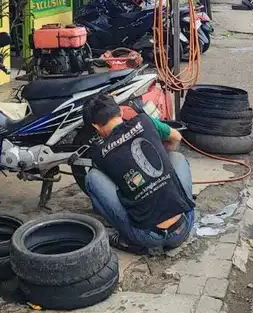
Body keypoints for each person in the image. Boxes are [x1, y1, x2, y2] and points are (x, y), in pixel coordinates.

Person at [83, 94, 195, 255]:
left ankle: (129, 240)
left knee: (92, 178)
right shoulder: (145, 121)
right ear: (120, 112)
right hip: (183, 228)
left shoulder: (100, 154)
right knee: (177, 157)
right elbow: (176, 137)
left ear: (96, 127)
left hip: (147, 236)